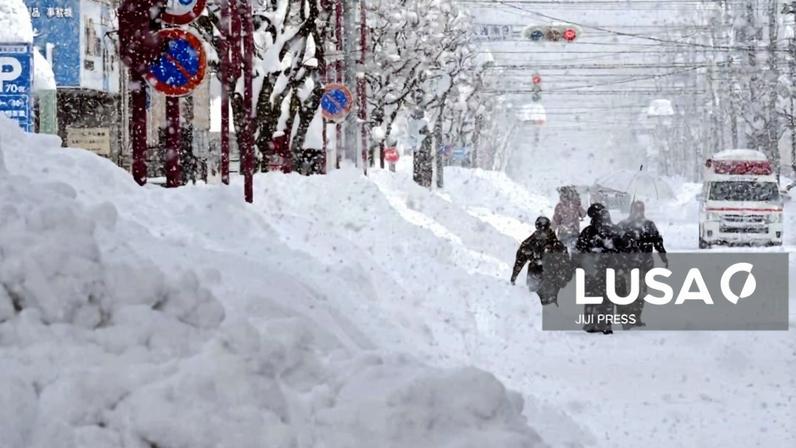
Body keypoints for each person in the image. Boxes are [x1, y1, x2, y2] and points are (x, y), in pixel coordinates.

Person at [574, 203, 625, 334]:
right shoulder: (616, 230)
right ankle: (606, 324)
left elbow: (579, 250)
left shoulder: (588, 231)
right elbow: (625, 249)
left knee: (591, 296)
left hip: (592, 271)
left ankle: (591, 324)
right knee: (607, 298)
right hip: (611, 270)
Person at [617, 200, 668, 329]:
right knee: (629, 292)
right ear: (631, 210)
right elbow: (615, 243)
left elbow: (657, 241)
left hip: (644, 265)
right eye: (636, 209)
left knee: (641, 293)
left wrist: (663, 256)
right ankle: (628, 319)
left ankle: (636, 317)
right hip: (628, 265)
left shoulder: (649, 225)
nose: (639, 212)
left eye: (641, 209)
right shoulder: (623, 225)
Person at [511, 216, 572, 305]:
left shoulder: (556, 244)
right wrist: (514, 276)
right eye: (540, 230)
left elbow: (565, 263)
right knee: (534, 301)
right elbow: (521, 258)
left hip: (551, 276)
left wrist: (565, 278)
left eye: (545, 230)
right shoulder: (531, 241)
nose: (543, 233)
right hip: (535, 274)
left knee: (550, 303)